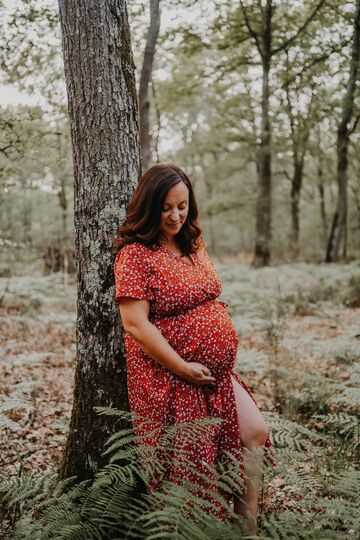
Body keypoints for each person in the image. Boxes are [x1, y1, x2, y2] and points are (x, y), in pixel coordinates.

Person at [113, 162, 274, 532]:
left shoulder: (192, 242)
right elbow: (135, 324)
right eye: (167, 207)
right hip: (170, 375)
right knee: (189, 474)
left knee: (254, 433)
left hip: (215, 373)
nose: (175, 215)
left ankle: (245, 531)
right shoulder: (136, 254)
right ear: (150, 206)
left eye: (182, 206)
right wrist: (182, 365)